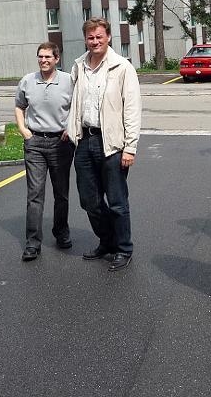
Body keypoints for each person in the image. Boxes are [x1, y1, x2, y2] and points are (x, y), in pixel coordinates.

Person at [66, 18, 141, 272]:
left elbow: (131, 109)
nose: (95, 41)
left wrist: (130, 146)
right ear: (85, 39)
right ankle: (107, 241)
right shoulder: (79, 66)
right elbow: (74, 102)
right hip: (85, 141)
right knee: (89, 200)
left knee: (117, 201)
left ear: (108, 37)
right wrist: (70, 129)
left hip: (111, 143)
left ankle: (123, 248)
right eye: (90, 37)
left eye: (99, 36)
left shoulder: (122, 67)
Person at [15, 42, 75, 261]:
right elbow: (19, 106)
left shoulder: (68, 80)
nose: (44, 60)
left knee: (61, 193)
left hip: (61, 143)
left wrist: (70, 129)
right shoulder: (27, 81)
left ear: (57, 58)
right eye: (40, 57)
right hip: (35, 143)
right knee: (35, 194)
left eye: (48, 57)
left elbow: (77, 106)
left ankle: (61, 233)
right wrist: (23, 130)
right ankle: (33, 243)